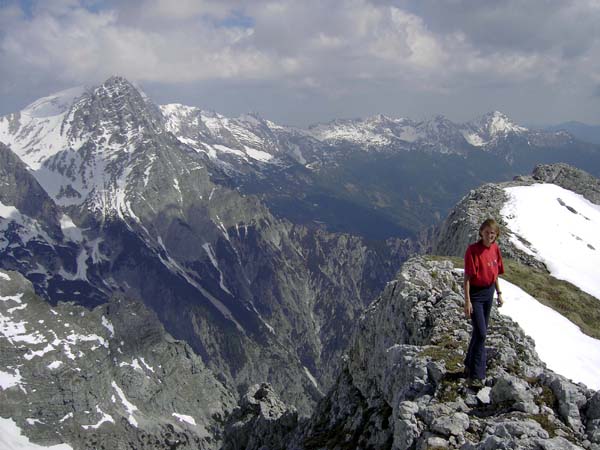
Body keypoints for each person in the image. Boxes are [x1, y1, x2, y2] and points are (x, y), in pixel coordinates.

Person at [463, 218, 504, 384]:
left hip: (489, 292)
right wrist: (467, 301)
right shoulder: (472, 250)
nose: (489, 236)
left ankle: (468, 364)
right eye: (487, 232)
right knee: (481, 333)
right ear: (481, 232)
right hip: (476, 295)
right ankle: (477, 375)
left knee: (480, 333)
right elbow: (466, 278)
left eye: (492, 233)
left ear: (496, 235)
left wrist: (499, 293)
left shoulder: (495, 248)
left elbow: (495, 273)